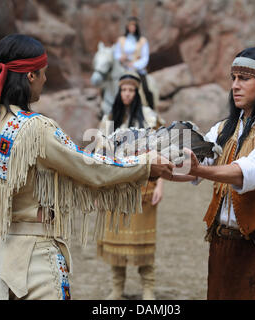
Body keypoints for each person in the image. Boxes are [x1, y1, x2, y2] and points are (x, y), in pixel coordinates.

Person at [0, 34, 173, 300]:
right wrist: (144, 164)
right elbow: (91, 167)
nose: (46, 80)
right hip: (33, 261)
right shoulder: (35, 128)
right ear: (30, 76)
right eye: (43, 73)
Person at [171, 47, 255, 300]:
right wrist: (146, 167)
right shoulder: (223, 129)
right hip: (222, 245)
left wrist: (198, 168)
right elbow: (189, 170)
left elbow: (245, 174)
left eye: (244, 78)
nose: (235, 85)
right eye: (233, 78)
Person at [96, 73, 164, 300]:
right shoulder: (109, 118)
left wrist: (160, 185)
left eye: (131, 90)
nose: (127, 94)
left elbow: (163, 154)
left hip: (144, 187)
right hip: (116, 188)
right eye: (123, 90)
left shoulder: (149, 118)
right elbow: (100, 153)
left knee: (142, 239)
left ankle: (148, 288)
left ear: (137, 93)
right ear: (119, 92)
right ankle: (117, 288)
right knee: (116, 237)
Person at [114, 16, 154, 109]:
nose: (132, 28)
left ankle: (150, 108)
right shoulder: (121, 40)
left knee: (146, 88)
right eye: (130, 26)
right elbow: (116, 53)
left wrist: (135, 64)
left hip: (137, 69)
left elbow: (145, 58)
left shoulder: (142, 41)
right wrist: (121, 57)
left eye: (133, 26)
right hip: (123, 68)